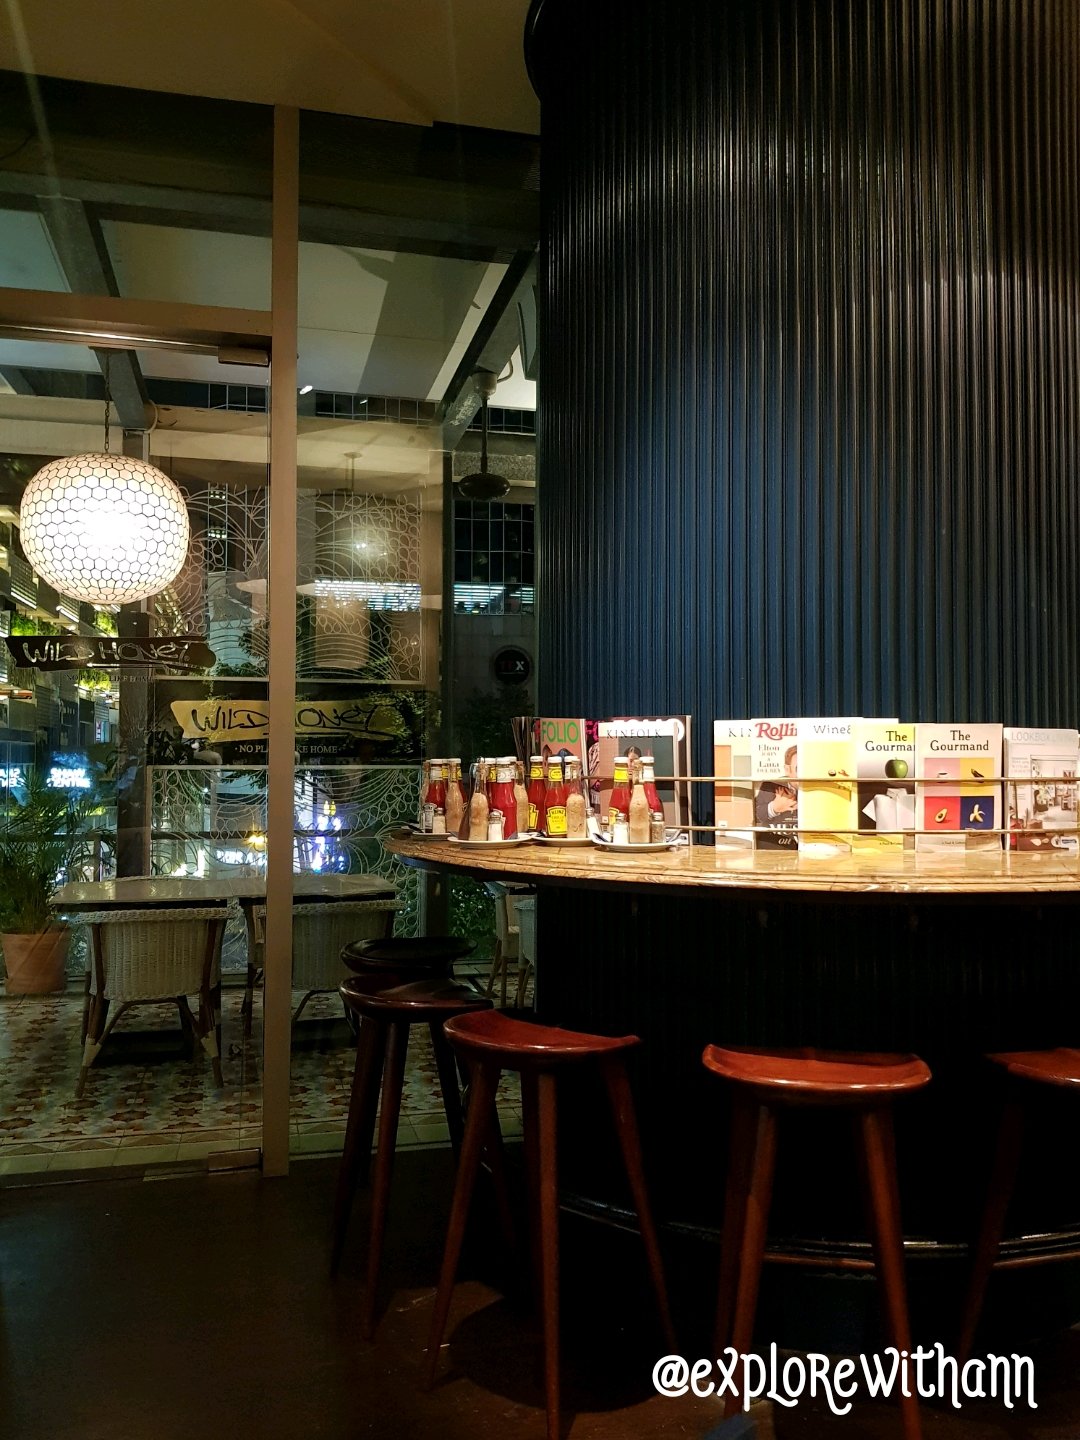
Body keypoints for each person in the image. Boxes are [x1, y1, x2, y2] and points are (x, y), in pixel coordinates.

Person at [755, 744, 798, 847]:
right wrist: (774, 807)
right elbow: (756, 815)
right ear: (787, 770)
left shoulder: (818, 787)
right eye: (799, 768)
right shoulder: (770, 786)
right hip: (775, 845)